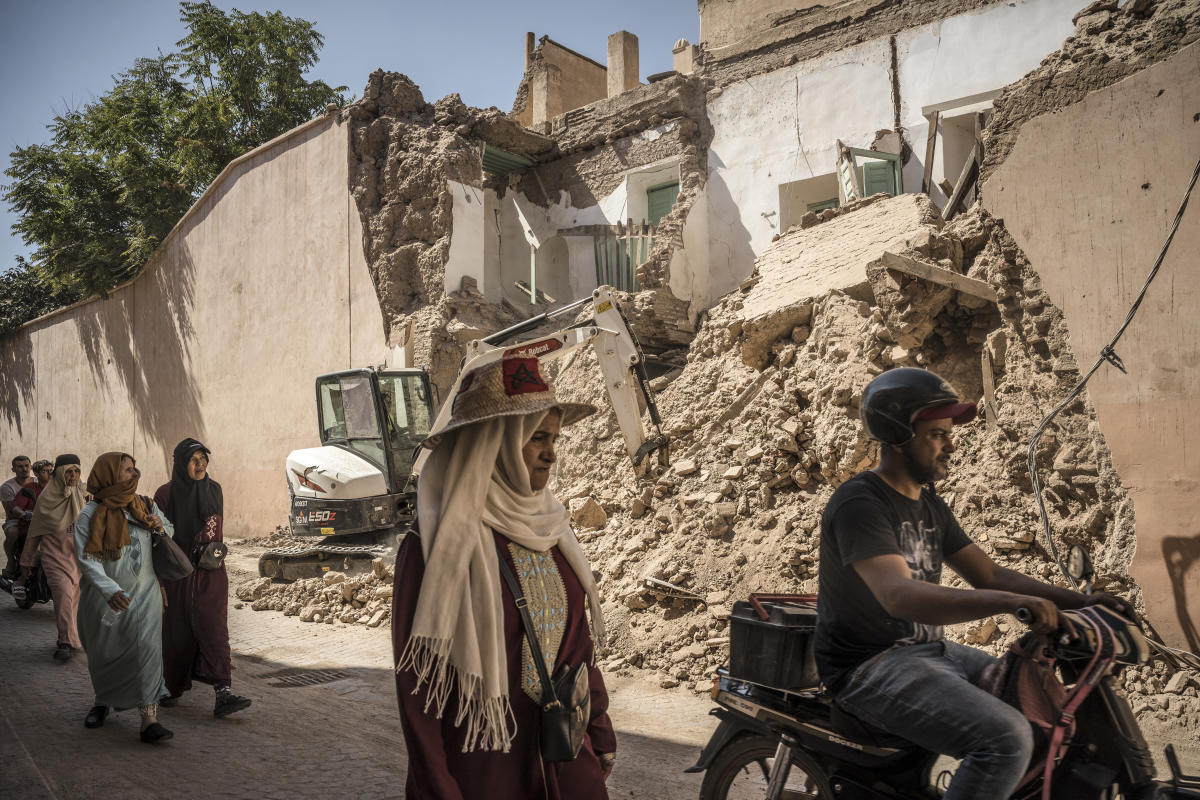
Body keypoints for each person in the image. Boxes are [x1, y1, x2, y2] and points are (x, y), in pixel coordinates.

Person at [814, 367, 1132, 800]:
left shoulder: (930, 507)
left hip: (926, 652)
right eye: (936, 434)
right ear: (898, 436)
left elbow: (990, 574)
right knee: (1005, 739)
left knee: (1044, 708)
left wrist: (1081, 602)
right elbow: (898, 595)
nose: (951, 443)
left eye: (949, 432)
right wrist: (1008, 602)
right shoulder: (860, 504)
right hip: (869, 665)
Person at [393, 357, 616, 799]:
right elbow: (419, 690)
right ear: (494, 443)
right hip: (483, 772)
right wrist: (439, 788)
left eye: (554, 438)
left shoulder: (552, 529)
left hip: (563, 766)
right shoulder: (436, 546)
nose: (551, 452)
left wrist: (599, 730)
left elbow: (577, 646)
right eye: (537, 438)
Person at [75, 452, 174, 743]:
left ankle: (149, 719)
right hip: (106, 597)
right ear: (108, 474)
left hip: (146, 592)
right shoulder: (90, 514)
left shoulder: (144, 505)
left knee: (147, 650)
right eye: (126, 469)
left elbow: (169, 530)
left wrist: (159, 525)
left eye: (134, 468)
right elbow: (87, 558)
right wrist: (110, 590)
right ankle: (102, 700)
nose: (134, 473)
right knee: (105, 653)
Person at [154, 438, 250, 717]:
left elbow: (215, 530)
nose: (201, 464)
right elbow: (158, 539)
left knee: (215, 629)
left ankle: (223, 692)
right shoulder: (165, 494)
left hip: (211, 573)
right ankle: (171, 687)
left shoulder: (214, 489)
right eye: (194, 459)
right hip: (177, 575)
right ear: (181, 463)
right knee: (176, 633)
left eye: (203, 458)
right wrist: (160, 581)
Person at [18, 455, 87, 660]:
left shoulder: (81, 496)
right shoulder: (46, 499)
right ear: (59, 473)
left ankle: (72, 639)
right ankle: (65, 641)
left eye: (77, 471)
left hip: (78, 559)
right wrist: (27, 560)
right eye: (69, 471)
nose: (73, 475)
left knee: (75, 599)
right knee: (63, 593)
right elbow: (35, 532)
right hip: (54, 557)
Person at [2, 454, 33, 578]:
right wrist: (25, 514)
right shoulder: (7, 487)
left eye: (26, 466)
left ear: (31, 466)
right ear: (13, 470)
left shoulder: (38, 481)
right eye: (20, 467)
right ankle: (11, 560)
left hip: (40, 518)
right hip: (15, 519)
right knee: (12, 532)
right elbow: (10, 511)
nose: (24, 469)